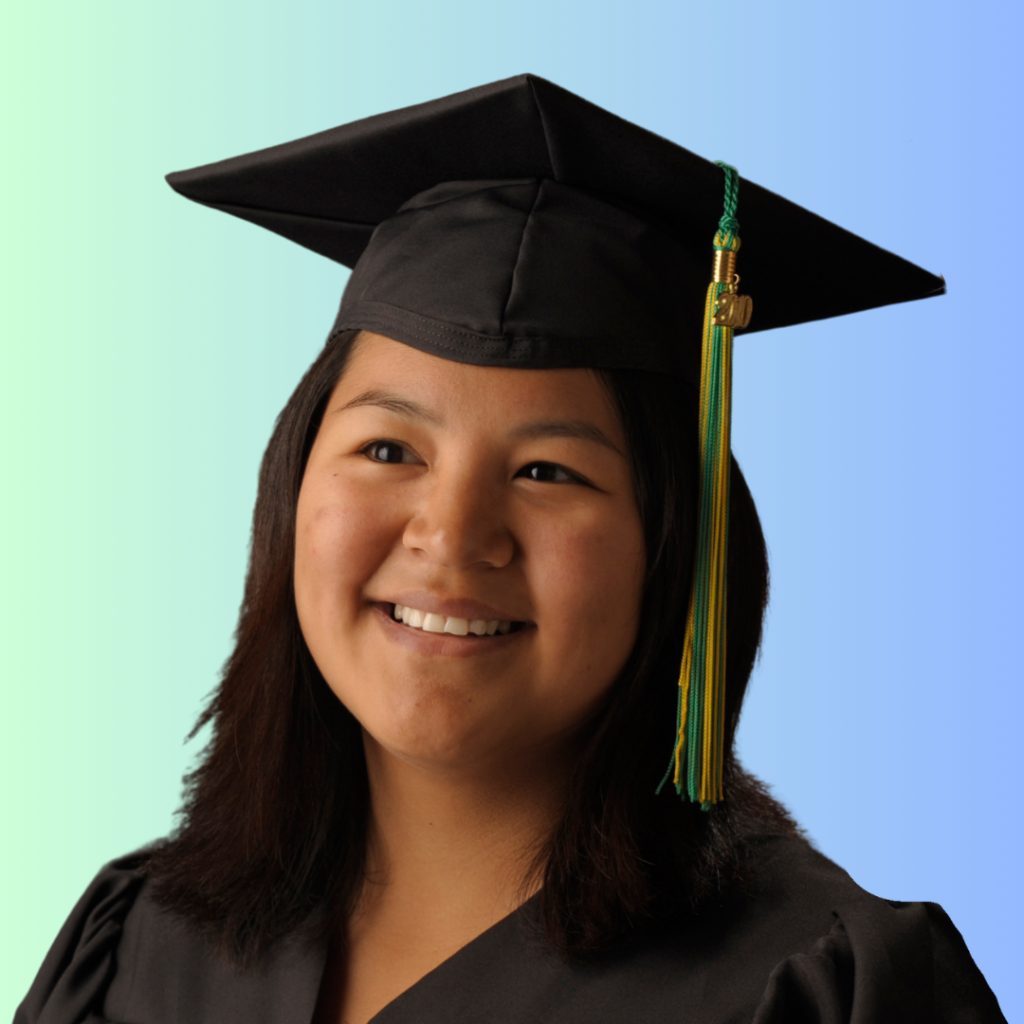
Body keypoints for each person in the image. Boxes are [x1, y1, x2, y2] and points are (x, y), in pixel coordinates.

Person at [14, 74, 1006, 1024]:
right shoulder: (143, 939)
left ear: (675, 543)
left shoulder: (816, 989)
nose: (449, 535)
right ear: (289, 490)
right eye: (388, 447)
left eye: (547, 471)